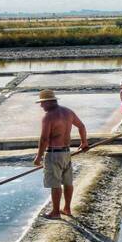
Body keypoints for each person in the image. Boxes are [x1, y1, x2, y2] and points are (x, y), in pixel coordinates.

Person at [33, 89, 88, 219]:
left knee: (55, 183)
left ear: (49, 102)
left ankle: (56, 212)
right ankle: (67, 209)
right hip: (66, 152)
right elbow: (81, 126)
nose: (41, 106)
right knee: (68, 182)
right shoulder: (68, 112)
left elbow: (44, 139)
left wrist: (38, 157)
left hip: (53, 154)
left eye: (42, 103)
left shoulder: (48, 117)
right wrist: (84, 142)